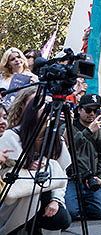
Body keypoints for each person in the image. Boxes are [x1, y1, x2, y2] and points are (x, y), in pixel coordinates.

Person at [0, 97, 72, 234]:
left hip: (45, 192)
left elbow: (61, 174)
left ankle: (34, 224)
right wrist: (25, 167)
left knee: (62, 219)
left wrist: (56, 200)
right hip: (16, 195)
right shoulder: (12, 135)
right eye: (43, 104)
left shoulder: (56, 140)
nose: (49, 108)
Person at [65, 94, 101, 221]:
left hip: (91, 178)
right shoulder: (68, 126)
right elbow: (68, 149)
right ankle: (75, 202)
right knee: (71, 213)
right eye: (88, 110)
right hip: (71, 177)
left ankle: (82, 202)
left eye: (96, 111)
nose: (92, 114)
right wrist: (89, 131)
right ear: (79, 109)